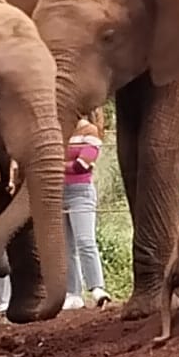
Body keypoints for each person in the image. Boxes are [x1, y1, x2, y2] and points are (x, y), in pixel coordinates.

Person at [64, 114, 110, 309]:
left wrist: (51, 166)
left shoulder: (90, 131)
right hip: (57, 193)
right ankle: (73, 293)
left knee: (85, 241)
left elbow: (81, 166)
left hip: (80, 193)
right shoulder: (59, 131)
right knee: (66, 246)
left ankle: (97, 287)